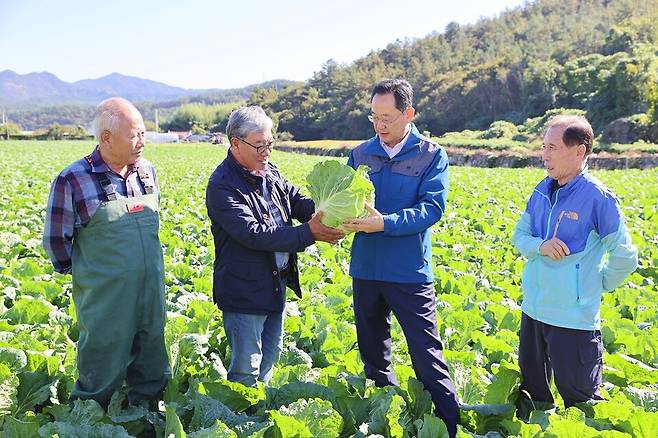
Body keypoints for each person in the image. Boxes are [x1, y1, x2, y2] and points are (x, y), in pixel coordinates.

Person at [342, 79, 460, 436]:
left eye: (388, 118)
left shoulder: (430, 154)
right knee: (373, 355)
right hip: (366, 268)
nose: (380, 125)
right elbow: (344, 198)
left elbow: (431, 208)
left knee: (426, 355)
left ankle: (451, 425)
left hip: (409, 271)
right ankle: (386, 420)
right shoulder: (360, 154)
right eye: (374, 117)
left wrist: (385, 223)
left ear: (409, 114)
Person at [43, 97, 170, 409]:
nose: (141, 142)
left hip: (150, 288)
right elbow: (56, 240)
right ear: (106, 138)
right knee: (102, 353)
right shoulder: (73, 178)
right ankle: (90, 416)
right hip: (105, 294)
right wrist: (89, 274)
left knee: (152, 351)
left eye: (143, 133)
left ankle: (147, 414)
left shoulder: (147, 172)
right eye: (134, 135)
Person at [205, 106, 344, 386]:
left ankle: (259, 413)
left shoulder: (270, 171)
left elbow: (296, 200)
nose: (267, 152)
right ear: (235, 144)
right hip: (244, 290)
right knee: (246, 367)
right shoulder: (222, 186)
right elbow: (254, 234)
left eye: (270, 143)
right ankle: (241, 421)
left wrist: (328, 212)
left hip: (274, 285)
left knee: (270, 357)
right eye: (260, 146)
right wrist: (310, 233)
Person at [513, 115, 638, 414]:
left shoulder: (598, 198)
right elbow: (519, 236)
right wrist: (540, 246)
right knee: (534, 397)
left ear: (579, 151)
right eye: (544, 147)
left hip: (573, 320)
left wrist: (594, 285)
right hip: (533, 311)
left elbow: (625, 256)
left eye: (553, 148)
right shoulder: (541, 190)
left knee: (582, 402)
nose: (545, 155)